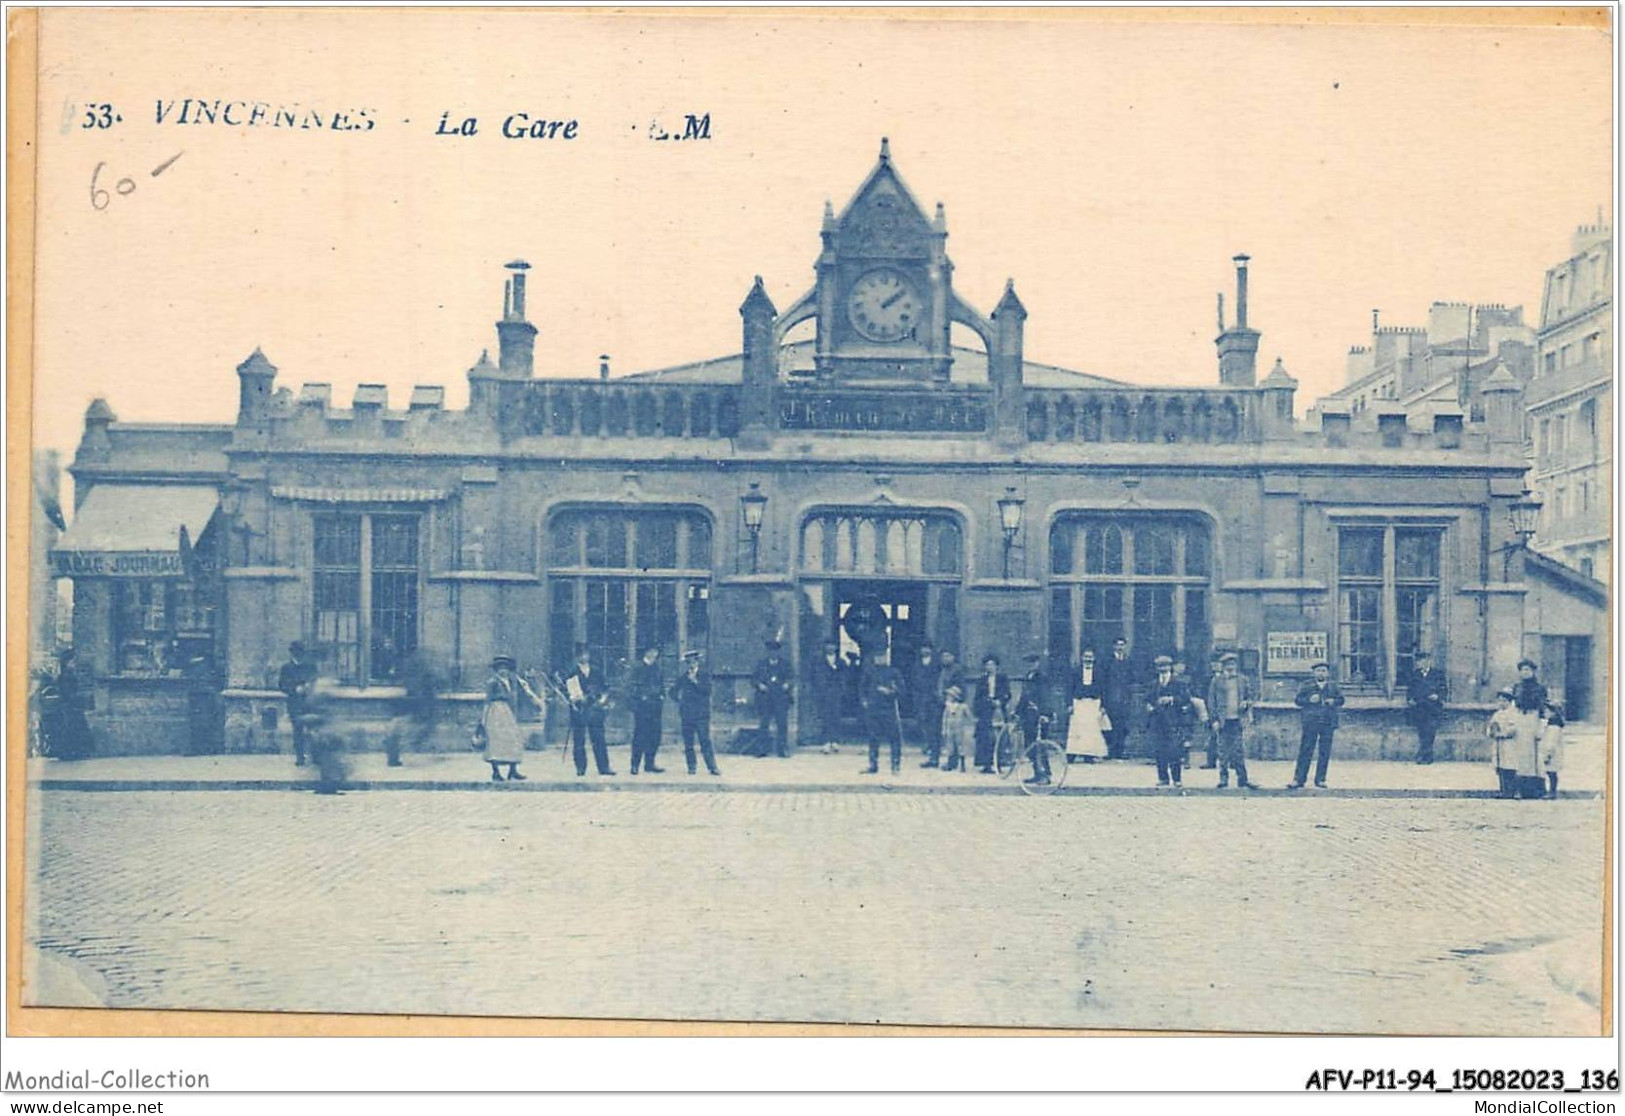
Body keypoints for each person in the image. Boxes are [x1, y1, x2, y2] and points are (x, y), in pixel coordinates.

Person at [483, 655, 541, 782]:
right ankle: (495, 772)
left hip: (507, 712)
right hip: (495, 712)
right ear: (496, 670)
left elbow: (524, 691)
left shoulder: (511, 681)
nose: (503, 670)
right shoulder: (492, 682)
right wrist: (483, 719)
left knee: (514, 739)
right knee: (496, 742)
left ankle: (512, 771)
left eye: (505, 668)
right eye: (500, 668)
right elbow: (487, 700)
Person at [1207, 652, 1259, 789]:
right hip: (1223, 721)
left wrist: (1246, 703)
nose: (1230, 666)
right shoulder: (1216, 681)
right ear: (1223, 666)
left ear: (1236, 665)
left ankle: (1243, 779)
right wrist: (1214, 720)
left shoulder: (1242, 680)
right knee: (1223, 751)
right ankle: (1223, 779)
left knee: (1238, 751)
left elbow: (1251, 696)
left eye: (1233, 664)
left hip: (1238, 719)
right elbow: (1211, 702)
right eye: (1227, 664)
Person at [565, 643, 614, 777]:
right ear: (577, 657)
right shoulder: (571, 672)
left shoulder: (597, 671)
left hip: (595, 709)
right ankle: (581, 768)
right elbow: (567, 691)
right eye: (581, 654)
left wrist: (602, 700)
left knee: (599, 739)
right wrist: (574, 698)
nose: (584, 657)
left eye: (586, 654)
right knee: (579, 740)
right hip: (579, 710)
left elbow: (606, 688)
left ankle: (604, 767)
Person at [1144, 655, 1193, 788]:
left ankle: (1177, 779)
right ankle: (1163, 778)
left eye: (1165, 666)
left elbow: (1186, 699)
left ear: (1170, 667)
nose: (1163, 669)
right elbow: (1147, 698)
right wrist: (1150, 705)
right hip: (1158, 721)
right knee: (1160, 751)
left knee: (1175, 751)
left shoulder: (1179, 683)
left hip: (1174, 720)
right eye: (1160, 666)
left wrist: (1171, 699)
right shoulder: (1153, 684)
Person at [384, 650, 439, 767]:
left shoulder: (418, 680)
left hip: (413, 710)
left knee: (395, 732)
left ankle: (395, 758)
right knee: (394, 733)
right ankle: (395, 758)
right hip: (411, 710)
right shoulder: (414, 677)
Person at [671, 651, 720, 776]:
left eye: (693, 662)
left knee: (705, 741)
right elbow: (672, 692)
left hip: (701, 715)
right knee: (688, 743)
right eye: (689, 663)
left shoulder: (704, 675)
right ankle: (691, 767)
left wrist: (695, 682)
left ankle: (712, 767)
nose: (691, 665)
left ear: (697, 662)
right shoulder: (683, 677)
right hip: (687, 715)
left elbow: (708, 690)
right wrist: (680, 701)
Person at [1507, 658, 1549, 799]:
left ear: (1533, 671)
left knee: (1535, 755)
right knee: (1520, 755)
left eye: (1528, 670)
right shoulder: (1517, 687)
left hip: (1533, 718)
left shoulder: (1540, 688)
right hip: (1520, 719)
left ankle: (1538, 790)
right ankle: (1518, 790)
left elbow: (1543, 708)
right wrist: (1512, 723)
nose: (1525, 673)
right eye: (1522, 670)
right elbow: (1513, 706)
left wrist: (1541, 728)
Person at [43, 649, 94, 761]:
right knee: (72, 729)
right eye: (73, 662)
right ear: (67, 662)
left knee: (72, 729)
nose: (74, 664)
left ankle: (71, 752)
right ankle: (73, 752)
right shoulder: (67, 676)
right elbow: (68, 693)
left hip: (69, 707)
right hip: (70, 707)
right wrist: (78, 697)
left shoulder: (66, 674)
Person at [860, 646, 903, 775]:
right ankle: (873, 764)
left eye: (883, 656)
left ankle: (895, 765)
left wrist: (890, 692)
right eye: (879, 656)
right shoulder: (869, 672)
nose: (881, 659)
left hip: (889, 709)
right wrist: (864, 701)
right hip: (873, 708)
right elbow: (862, 687)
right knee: (873, 737)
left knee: (894, 738)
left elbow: (902, 690)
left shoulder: (894, 672)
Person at [277, 640, 318, 766]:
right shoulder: (286, 668)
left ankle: (315, 757)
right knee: (298, 731)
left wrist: (309, 686)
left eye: (301, 652)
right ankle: (300, 757)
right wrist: (294, 689)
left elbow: (316, 680)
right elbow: (282, 685)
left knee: (313, 730)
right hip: (294, 703)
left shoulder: (310, 666)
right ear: (291, 653)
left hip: (310, 702)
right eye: (295, 652)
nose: (298, 655)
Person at [1065, 649, 1110, 763]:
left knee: (1091, 730)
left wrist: (1103, 705)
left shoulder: (1099, 672)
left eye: (1090, 657)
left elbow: (1104, 689)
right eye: (1086, 657)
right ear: (1082, 658)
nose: (1088, 659)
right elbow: (1069, 688)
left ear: (1094, 658)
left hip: (1093, 703)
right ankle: (1072, 754)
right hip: (1079, 703)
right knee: (1076, 729)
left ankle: (1088, 755)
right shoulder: (1075, 671)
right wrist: (1069, 704)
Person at [1015, 655, 1054, 786]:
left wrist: (1045, 714)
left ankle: (1045, 774)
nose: (1030, 665)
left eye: (1033, 662)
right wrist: (1016, 712)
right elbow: (1024, 697)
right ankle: (1036, 773)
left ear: (1038, 663)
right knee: (1029, 746)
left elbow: (1046, 696)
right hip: (1028, 717)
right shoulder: (1028, 676)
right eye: (1028, 663)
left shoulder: (1041, 677)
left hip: (1039, 717)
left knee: (1040, 746)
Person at [629, 646, 667, 775]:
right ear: (646, 652)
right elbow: (631, 686)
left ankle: (650, 764)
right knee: (640, 736)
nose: (654, 654)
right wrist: (641, 698)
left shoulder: (657, 668)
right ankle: (635, 765)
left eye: (656, 652)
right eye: (652, 651)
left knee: (654, 736)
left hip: (655, 707)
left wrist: (662, 695)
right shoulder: (637, 668)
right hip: (642, 708)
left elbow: (661, 685)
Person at [971, 653, 1012, 774]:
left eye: (992, 664)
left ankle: (1000, 762)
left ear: (996, 666)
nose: (989, 667)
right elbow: (977, 697)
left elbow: (1008, 694)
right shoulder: (981, 680)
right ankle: (986, 764)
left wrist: (1000, 701)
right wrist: (984, 705)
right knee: (985, 738)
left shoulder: (1002, 678)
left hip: (999, 711)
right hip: (985, 711)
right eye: (987, 665)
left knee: (999, 737)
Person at [1405, 650, 1447, 765]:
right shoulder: (1415, 674)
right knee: (1422, 731)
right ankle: (1425, 755)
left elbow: (1444, 689)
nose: (1420, 664)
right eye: (1418, 661)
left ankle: (1425, 756)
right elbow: (1410, 689)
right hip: (1419, 708)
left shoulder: (1438, 674)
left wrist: (1437, 696)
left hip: (1433, 708)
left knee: (1430, 731)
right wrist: (1410, 700)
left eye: (1422, 661)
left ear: (1428, 661)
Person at [753, 639, 793, 758]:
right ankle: (762, 749)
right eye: (771, 651)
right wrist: (759, 685)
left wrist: (788, 684)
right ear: (767, 652)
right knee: (764, 724)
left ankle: (782, 749)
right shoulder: (762, 664)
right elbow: (754, 679)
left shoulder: (785, 664)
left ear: (778, 652)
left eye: (775, 651)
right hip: (765, 699)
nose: (773, 654)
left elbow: (791, 678)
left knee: (782, 724)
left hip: (781, 698)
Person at [1099, 636, 1136, 759]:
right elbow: (1103, 681)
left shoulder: (1129, 661)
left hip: (1124, 698)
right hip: (1111, 698)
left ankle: (1120, 752)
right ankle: (1110, 751)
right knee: (1110, 725)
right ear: (1114, 646)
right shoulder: (1107, 661)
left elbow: (1132, 679)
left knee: (1123, 726)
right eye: (1118, 645)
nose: (1120, 647)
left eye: (1122, 645)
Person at [924, 648, 961, 767]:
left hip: (952, 705)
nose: (945, 659)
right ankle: (934, 759)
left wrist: (949, 695)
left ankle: (952, 761)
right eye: (943, 656)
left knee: (951, 733)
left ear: (953, 657)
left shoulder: (957, 670)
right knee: (935, 732)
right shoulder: (938, 669)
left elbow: (960, 687)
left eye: (948, 656)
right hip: (937, 704)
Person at [809, 639, 846, 755]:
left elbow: (844, 677)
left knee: (836, 716)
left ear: (835, 647)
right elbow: (813, 676)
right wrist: (817, 689)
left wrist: (841, 689)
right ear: (825, 647)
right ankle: (825, 742)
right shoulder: (818, 661)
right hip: (823, 692)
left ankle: (835, 741)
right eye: (828, 645)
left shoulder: (841, 662)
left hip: (836, 692)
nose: (830, 647)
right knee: (825, 716)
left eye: (832, 645)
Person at [908, 644, 943, 765]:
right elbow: (913, 679)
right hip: (921, 697)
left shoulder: (937, 663)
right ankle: (928, 744)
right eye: (923, 648)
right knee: (923, 722)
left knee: (934, 725)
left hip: (933, 699)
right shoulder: (916, 664)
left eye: (927, 648)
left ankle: (934, 750)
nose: (925, 650)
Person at [1486, 687, 1521, 799]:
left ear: (1510, 701)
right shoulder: (1497, 714)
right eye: (1500, 700)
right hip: (1499, 744)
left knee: (1510, 767)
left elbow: (1514, 728)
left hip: (1510, 743)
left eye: (1504, 700)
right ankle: (1503, 790)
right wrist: (1491, 731)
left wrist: (1504, 733)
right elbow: (1491, 726)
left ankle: (1513, 791)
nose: (1501, 703)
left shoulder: (1514, 713)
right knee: (1500, 767)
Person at [939, 681, 974, 773]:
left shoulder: (962, 707)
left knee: (960, 746)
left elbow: (970, 717)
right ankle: (950, 763)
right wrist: (944, 729)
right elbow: (945, 719)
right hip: (950, 728)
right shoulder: (948, 707)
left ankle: (962, 764)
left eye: (950, 696)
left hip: (960, 728)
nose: (948, 698)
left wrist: (968, 726)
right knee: (949, 746)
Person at [1198, 650, 1224, 769]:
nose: (1215, 666)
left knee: (1227, 738)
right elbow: (1203, 695)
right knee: (1211, 737)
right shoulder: (1206, 679)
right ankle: (1211, 761)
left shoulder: (1227, 678)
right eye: (1213, 663)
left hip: (1225, 711)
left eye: (1218, 663)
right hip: (1211, 710)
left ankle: (1230, 762)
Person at [1541, 700, 1566, 799]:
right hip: (1552, 752)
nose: (1545, 713)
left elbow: (1552, 741)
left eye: (1547, 711)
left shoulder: (1554, 726)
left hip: (1552, 753)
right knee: (1550, 772)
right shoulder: (1551, 724)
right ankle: (1551, 791)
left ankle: (1552, 792)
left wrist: (1548, 754)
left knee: (1552, 773)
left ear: (1553, 712)